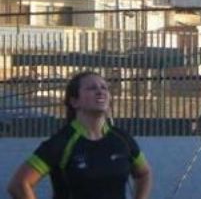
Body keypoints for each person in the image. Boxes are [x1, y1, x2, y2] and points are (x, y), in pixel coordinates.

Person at [6, 71, 152, 199]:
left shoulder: (122, 139)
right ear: (74, 101)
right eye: (92, 88)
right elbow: (19, 185)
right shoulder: (61, 142)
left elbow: (144, 173)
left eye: (104, 87)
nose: (100, 91)